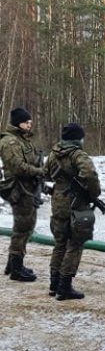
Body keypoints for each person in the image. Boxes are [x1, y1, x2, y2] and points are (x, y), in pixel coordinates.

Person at [43, 123, 101, 300]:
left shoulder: (53, 154)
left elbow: (45, 175)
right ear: (78, 138)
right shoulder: (78, 154)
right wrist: (92, 192)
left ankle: (54, 284)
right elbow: (90, 174)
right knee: (75, 244)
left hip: (58, 202)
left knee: (60, 243)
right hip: (76, 204)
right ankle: (64, 286)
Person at [0, 107, 44, 282]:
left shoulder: (24, 141)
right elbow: (17, 166)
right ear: (18, 122)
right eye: (27, 122)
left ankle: (13, 264)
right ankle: (16, 268)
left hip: (28, 189)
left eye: (30, 122)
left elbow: (31, 161)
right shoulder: (10, 142)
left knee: (26, 226)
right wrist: (38, 171)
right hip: (18, 189)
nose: (29, 125)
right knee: (22, 227)